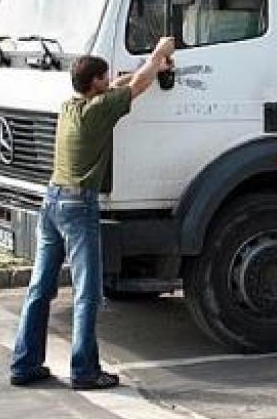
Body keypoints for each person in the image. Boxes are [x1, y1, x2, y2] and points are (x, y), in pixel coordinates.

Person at [10, 37, 175, 390]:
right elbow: (138, 85)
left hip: (51, 201)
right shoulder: (98, 112)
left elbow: (117, 85)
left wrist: (141, 68)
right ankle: (85, 371)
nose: (109, 81)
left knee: (40, 287)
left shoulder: (71, 107)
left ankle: (24, 364)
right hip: (77, 205)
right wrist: (160, 52)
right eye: (104, 77)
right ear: (95, 83)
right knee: (87, 292)